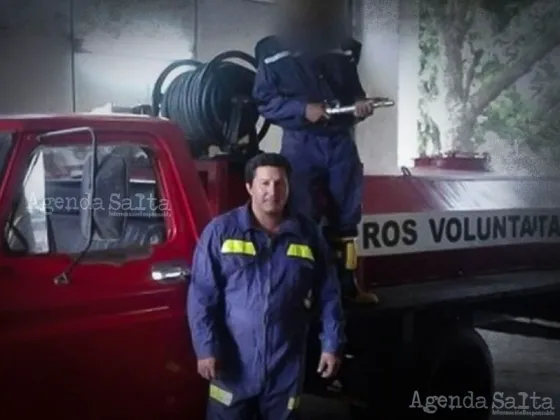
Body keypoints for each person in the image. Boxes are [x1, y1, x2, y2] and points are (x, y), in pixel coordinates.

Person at [187, 152, 346, 420]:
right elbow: (202, 296)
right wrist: (206, 349)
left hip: (285, 364)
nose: (273, 191)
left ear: (288, 187)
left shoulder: (308, 234)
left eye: (280, 183)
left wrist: (332, 344)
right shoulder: (221, 232)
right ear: (250, 187)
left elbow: (329, 294)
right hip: (232, 364)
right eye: (265, 183)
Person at [252, 0, 378, 304]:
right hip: (300, 142)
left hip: (339, 140)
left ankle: (347, 287)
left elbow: (353, 91)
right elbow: (265, 101)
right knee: (300, 215)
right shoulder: (271, 50)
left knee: (346, 216)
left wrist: (360, 105)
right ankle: (303, 288)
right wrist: (301, 109)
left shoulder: (342, 47)